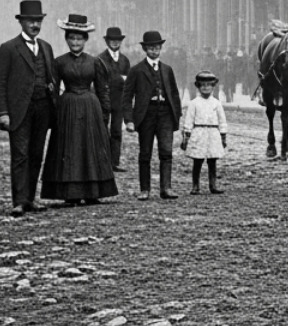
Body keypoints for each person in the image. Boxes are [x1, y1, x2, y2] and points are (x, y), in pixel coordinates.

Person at [0, 0, 58, 216]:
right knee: (20, 154)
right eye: (30, 21)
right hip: (19, 110)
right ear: (21, 23)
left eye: (38, 21)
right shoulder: (9, 48)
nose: (35, 25)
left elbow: (51, 78)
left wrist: (51, 88)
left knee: (37, 153)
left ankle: (30, 198)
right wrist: (2, 113)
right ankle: (18, 200)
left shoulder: (46, 48)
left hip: (42, 108)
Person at [41, 14, 118, 205]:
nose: (75, 42)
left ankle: (93, 192)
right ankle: (71, 193)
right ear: (66, 39)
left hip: (90, 108)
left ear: (85, 40)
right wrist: (55, 113)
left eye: (79, 39)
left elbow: (102, 90)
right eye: (72, 38)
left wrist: (104, 114)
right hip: (67, 108)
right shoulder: (58, 62)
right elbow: (53, 89)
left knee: (90, 149)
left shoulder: (95, 62)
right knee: (70, 149)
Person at [123, 30, 183, 199]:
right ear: (145, 49)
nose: (154, 51)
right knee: (145, 153)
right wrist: (128, 120)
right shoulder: (136, 70)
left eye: (157, 48)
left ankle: (166, 188)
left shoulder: (167, 70)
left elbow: (174, 94)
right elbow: (126, 97)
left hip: (165, 114)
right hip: (146, 114)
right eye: (151, 48)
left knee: (166, 152)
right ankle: (145, 189)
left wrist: (176, 116)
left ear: (161, 48)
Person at [180, 70, 229, 194]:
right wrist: (186, 135)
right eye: (203, 85)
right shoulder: (194, 103)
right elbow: (189, 120)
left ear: (213, 87)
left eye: (209, 85)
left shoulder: (217, 103)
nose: (206, 88)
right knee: (198, 160)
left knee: (212, 160)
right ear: (198, 87)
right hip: (199, 132)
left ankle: (213, 185)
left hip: (213, 133)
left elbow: (222, 120)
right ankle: (195, 186)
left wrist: (223, 135)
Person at [100, 26, 131, 169]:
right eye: (112, 40)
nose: (115, 43)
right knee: (103, 130)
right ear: (107, 41)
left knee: (117, 131)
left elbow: (128, 82)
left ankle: (114, 162)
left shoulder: (125, 60)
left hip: (119, 100)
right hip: (104, 99)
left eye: (117, 40)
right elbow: (98, 81)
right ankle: (103, 162)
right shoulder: (100, 59)